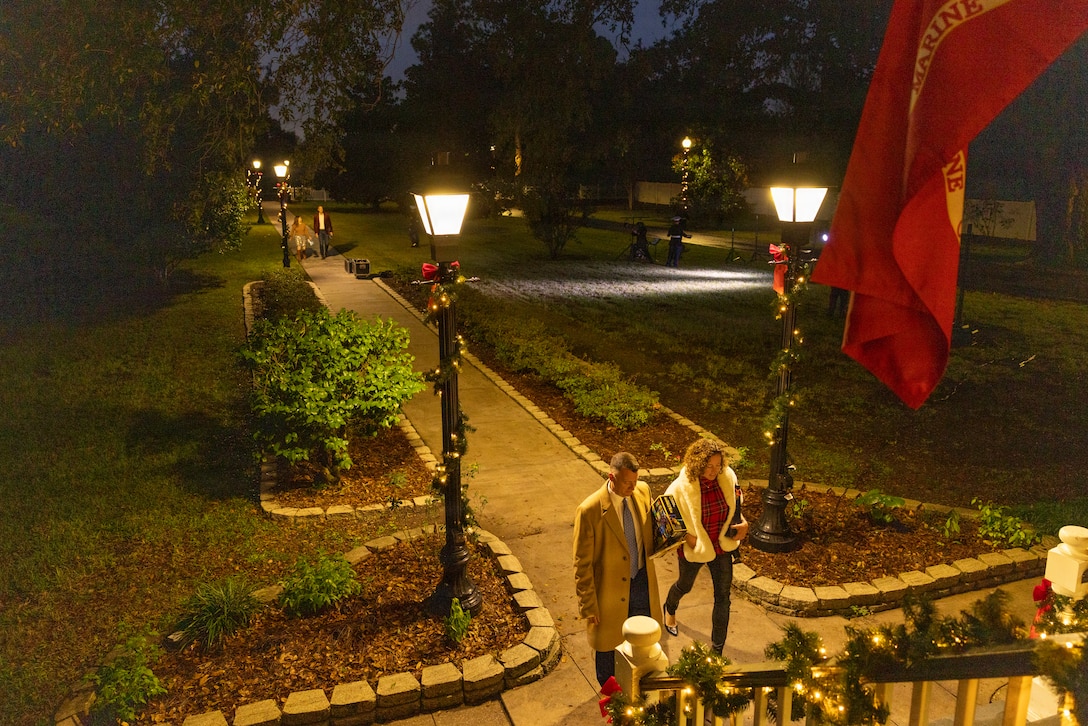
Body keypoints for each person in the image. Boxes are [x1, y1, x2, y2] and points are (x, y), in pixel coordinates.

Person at [573, 452, 663, 687]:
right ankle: (611, 698)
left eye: (635, 481)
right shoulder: (589, 510)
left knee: (643, 645)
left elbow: (651, 529)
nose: (632, 487)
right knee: (608, 656)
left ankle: (639, 692)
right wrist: (588, 604)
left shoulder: (642, 491)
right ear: (611, 477)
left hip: (641, 582)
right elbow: (582, 563)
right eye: (626, 482)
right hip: (609, 593)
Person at [662, 438, 747, 655]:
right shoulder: (680, 487)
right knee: (684, 585)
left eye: (718, 465)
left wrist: (743, 523)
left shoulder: (727, 479)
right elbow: (665, 517)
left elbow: (735, 507)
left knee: (723, 598)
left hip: (721, 546)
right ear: (698, 463)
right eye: (708, 466)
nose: (713, 470)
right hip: (696, 547)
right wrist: (688, 538)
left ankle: (717, 653)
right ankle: (669, 607)